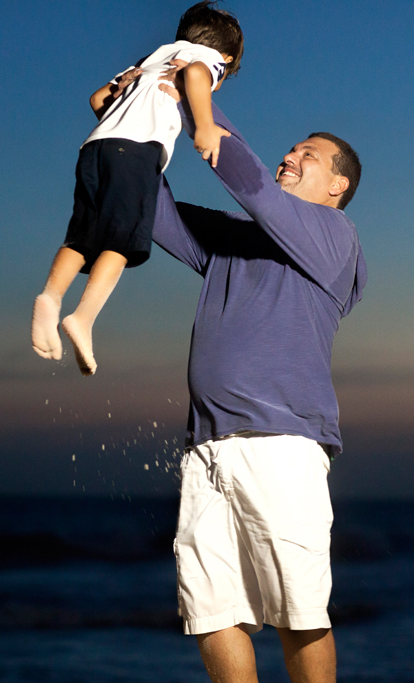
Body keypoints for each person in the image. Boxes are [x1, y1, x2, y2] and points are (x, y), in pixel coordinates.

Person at [145, 65, 365, 683]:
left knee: (300, 612)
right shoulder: (238, 242)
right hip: (205, 449)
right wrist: (134, 117)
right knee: (212, 614)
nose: (292, 156)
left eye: (310, 155)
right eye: (291, 150)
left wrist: (196, 95)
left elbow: (242, 175)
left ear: (337, 186)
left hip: (281, 447)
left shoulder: (334, 240)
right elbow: (150, 208)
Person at [31, 0, 243, 376]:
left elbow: (98, 98)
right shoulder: (208, 60)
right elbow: (195, 73)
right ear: (225, 57)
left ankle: (50, 296)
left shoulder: (151, 59)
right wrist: (206, 127)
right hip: (138, 151)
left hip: (96, 146)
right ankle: (83, 317)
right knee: (122, 241)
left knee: (83, 236)